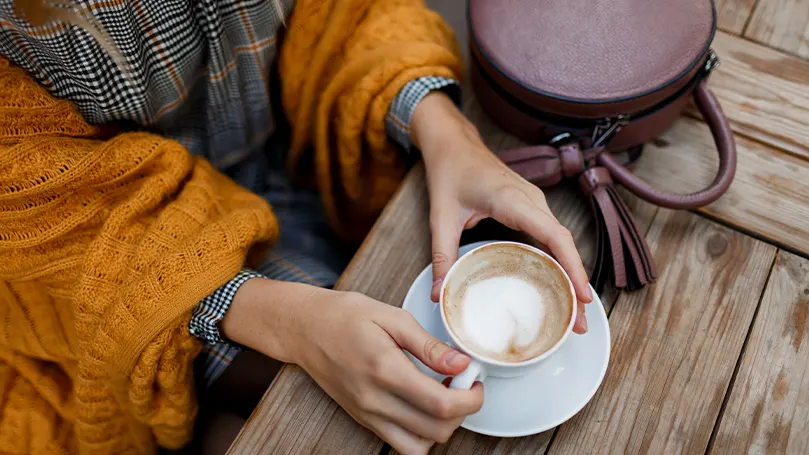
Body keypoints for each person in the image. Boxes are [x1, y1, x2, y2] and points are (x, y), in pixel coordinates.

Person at [0, 0, 592, 454]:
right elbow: (42, 211)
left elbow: (343, 11)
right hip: (100, 252)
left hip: (306, 152)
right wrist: (291, 325)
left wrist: (447, 133)